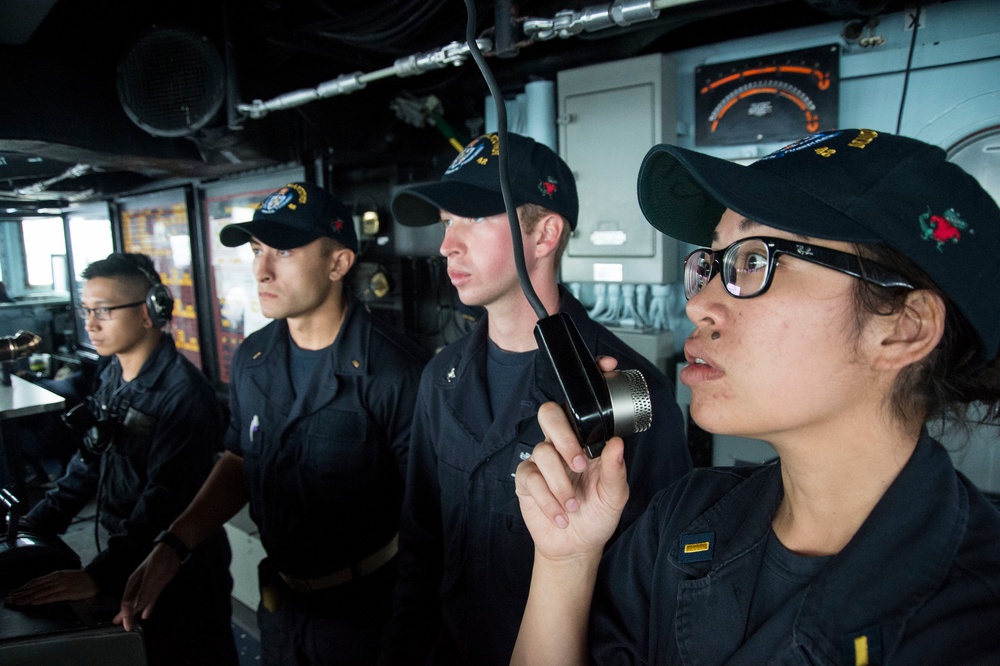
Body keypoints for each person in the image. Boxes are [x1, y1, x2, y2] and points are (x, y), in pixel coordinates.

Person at [511, 128, 1000, 665]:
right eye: (711, 264)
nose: (699, 306)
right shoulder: (683, 518)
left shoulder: (973, 623)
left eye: (755, 261)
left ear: (903, 328)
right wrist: (568, 558)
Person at [382, 132, 692, 665]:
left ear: (545, 233)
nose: (446, 244)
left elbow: (654, 589)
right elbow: (421, 547)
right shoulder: (441, 377)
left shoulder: (630, 393)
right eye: (446, 222)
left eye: (474, 218)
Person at [114, 182, 428, 665]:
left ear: (338, 263)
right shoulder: (253, 358)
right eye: (258, 250)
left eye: (282, 250)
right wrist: (174, 545)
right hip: (281, 610)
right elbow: (239, 460)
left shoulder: (396, 372)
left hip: (368, 620)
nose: (260, 270)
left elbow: (433, 521)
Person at [4, 252, 237, 666]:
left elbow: (164, 500)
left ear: (150, 312)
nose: (90, 324)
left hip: (179, 571)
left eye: (104, 311)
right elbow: (90, 459)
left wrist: (98, 575)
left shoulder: (184, 395)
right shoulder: (112, 374)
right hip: (126, 555)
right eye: (87, 310)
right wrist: (31, 525)